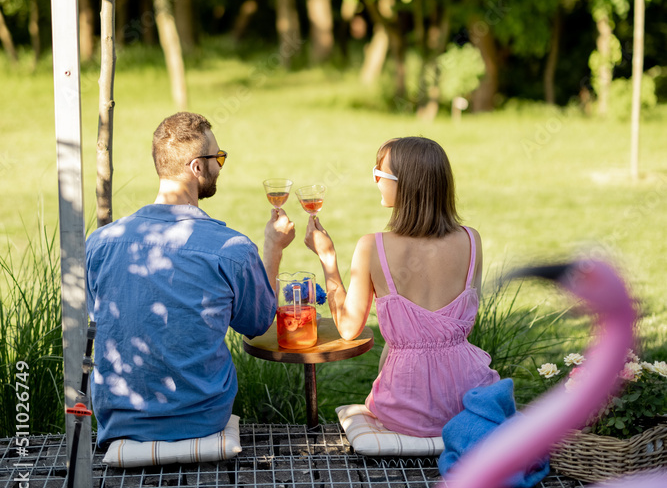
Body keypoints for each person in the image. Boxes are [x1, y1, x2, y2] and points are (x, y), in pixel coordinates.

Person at [86, 111, 295, 445]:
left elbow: (96, 318)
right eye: (219, 157)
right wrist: (273, 248)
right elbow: (259, 323)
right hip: (202, 420)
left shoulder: (100, 244)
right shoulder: (232, 250)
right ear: (198, 167)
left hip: (119, 421)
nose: (220, 165)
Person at [304, 135, 499, 437]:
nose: (375, 180)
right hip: (470, 399)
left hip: (406, 407)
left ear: (404, 184)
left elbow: (347, 328)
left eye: (379, 174)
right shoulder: (471, 240)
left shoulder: (372, 246)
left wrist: (327, 257)